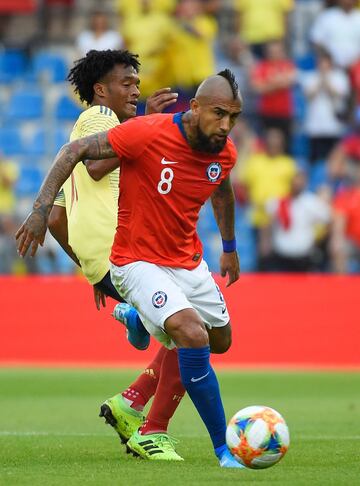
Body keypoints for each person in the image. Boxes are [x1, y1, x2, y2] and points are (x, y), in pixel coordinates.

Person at [16, 69, 244, 468]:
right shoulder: (147, 132)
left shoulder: (224, 152)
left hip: (186, 260)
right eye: (219, 114)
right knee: (190, 334)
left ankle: (138, 331)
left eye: (233, 118)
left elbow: (221, 187)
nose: (225, 126)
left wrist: (229, 247)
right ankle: (219, 448)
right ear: (195, 108)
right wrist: (38, 211)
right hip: (135, 261)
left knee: (218, 340)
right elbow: (74, 154)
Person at [46, 49, 187, 462]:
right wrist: (148, 122)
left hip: (106, 257)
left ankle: (132, 396)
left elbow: (56, 219)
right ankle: (149, 427)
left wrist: (91, 271)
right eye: (126, 84)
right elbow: (96, 167)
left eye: (136, 83)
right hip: (123, 253)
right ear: (100, 90)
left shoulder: (79, 137)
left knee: (191, 326)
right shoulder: (99, 119)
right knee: (195, 328)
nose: (135, 90)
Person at [266, 170, 331, 272]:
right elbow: (267, 222)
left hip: (304, 256)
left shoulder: (312, 202)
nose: (297, 184)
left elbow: (329, 219)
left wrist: (319, 240)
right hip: (281, 254)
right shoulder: (278, 202)